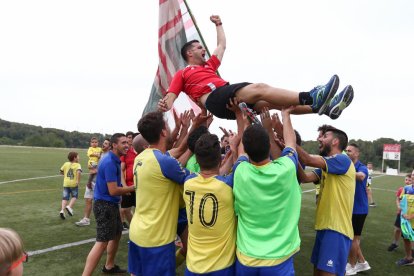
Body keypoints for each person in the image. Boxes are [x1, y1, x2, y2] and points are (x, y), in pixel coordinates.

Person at [158, 15, 354, 121]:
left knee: (275, 103)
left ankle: (324, 108)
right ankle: (313, 96)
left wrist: (219, 25)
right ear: (189, 54)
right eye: (199, 47)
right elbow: (170, 97)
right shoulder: (183, 73)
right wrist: (165, 104)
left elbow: (221, 46)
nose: (204, 49)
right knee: (260, 87)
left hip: (225, 101)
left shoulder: (209, 66)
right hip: (215, 98)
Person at [233, 106, 301, 275]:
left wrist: (245, 121)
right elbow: (291, 142)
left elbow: (241, 150)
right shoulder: (286, 168)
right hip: (280, 259)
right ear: (269, 146)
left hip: (246, 258)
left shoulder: (240, 172)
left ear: (247, 151)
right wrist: (285, 115)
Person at [128, 112, 191, 276]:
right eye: (168, 126)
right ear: (163, 132)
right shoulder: (165, 162)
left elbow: (179, 149)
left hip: (137, 232)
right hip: (156, 239)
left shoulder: (142, 157)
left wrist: (191, 126)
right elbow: (199, 180)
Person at [297, 127, 355, 276]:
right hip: (324, 228)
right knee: (317, 272)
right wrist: (290, 154)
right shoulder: (327, 167)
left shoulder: (342, 160)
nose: (319, 139)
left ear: (335, 141)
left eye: (325, 136)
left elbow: (308, 159)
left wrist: (289, 145)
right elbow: (304, 178)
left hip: (336, 229)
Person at [184, 132, 244, 275]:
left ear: (197, 161)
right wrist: (234, 147)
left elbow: (214, 174)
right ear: (219, 158)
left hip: (193, 266)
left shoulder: (188, 182)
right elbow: (240, 165)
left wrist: (229, 153)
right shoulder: (228, 185)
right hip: (221, 267)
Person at [82, 133, 135, 276]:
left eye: (127, 142)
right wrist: (133, 187)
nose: (127, 145)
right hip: (104, 205)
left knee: (117, 234)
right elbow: (113, 190)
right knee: (102, 242)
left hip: (111, 205)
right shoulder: (110, 162)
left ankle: (109, 266)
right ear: (114, 145)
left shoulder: (114, 159)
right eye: (123, 142)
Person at [345, 143, 371, 275]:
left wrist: (345, 171)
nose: (347, 152)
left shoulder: (361, 167)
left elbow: (361, 176)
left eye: (350, 151)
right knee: (352, 238)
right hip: (351, 208)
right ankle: (362, 262)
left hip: (358, 209)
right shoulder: (348, 165)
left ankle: (352, 266)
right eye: (346, 150)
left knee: (353, 239)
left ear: (356, 153)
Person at [76, 138, 110, 226]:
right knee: (88, 199)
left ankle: (105, 220)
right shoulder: (99, 154)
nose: (103, 145)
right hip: (92, 180)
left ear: (110, 146)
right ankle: (86, 219)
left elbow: (103, 170)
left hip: (100, 182)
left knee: (101, 201)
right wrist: (89, 181)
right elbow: (92, 170)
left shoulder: (108, 156)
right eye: (103, 143)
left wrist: (96, 170)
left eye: (106, 144)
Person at [388, 174, 412, 251]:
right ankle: (395, 243)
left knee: (410, 231)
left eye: (409, 180)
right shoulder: (402, 189)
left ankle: (411, 249)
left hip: (411, 214)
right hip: (402, 213)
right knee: (397, 229)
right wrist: (398, 206)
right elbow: (398, 199)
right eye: (406, 180)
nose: (407, 181)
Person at [396, 169, 414, 266]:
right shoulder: (406, 188)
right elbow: (401, 200)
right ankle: (409, 258)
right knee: (406, 239)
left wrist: (411, 216)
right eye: (412, 174)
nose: (412, 176)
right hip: (406, 221)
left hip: (411, 219)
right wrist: (401, 209)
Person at [120, 131, 138, 229]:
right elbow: (121, 170)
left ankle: (139, 232)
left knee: (140, 210)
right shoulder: (126, 153)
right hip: (129, 186)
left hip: (141, 187)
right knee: (125, 209)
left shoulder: (143, 152)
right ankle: (134, 228)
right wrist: (125, 186)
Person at [59, 151, 82, 219]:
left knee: (65, 197)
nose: (79, 157)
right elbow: (78, 172)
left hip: (66, 183)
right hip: (73, 183)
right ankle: (69, 206)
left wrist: (65, 175)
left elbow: (61, 172)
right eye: (78, 156)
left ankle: (62, 210)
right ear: (75, 158)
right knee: (74, 196)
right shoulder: (78, 165)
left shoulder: (66, 164)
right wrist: (77, 180)